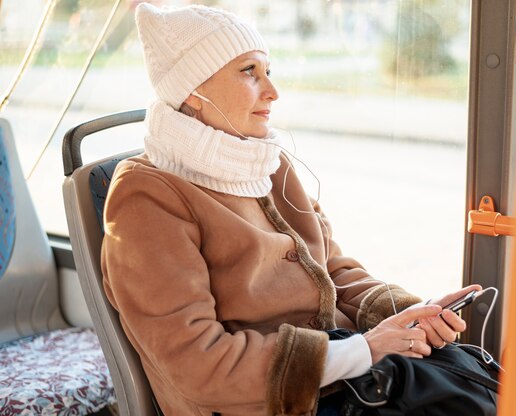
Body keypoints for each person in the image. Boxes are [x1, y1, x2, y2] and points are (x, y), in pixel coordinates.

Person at [101, 3, 480, 415]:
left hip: (344, 379)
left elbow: (332, 270)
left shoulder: (266, 161)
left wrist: (409, 315)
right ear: (194, 88)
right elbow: (198, 366)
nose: (272, 91)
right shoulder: (145, 197)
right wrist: (366, 349)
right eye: (249, 71)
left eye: (269, 71)